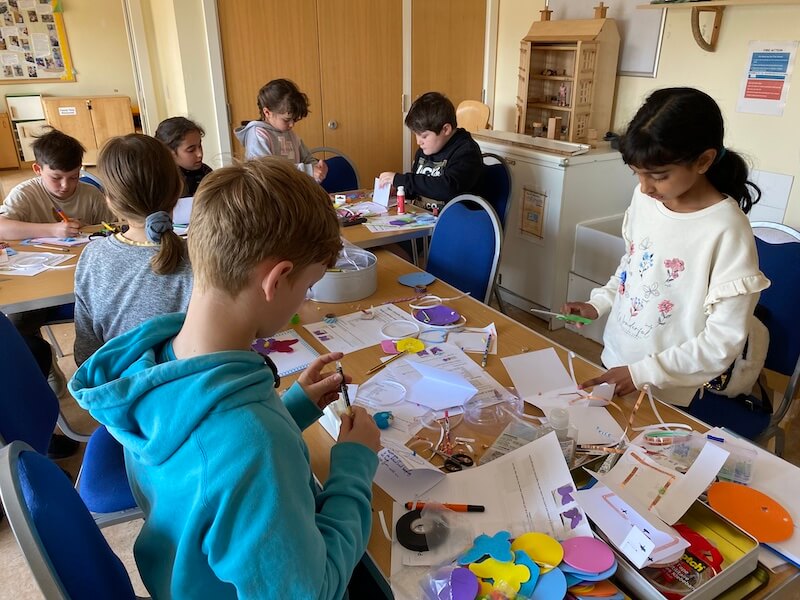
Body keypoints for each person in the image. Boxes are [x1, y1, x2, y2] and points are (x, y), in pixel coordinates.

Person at [69, 157, 381, 599]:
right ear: (278, 279)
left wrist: (291, 408)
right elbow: (315, 592)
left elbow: (206, 476)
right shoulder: (255, 443)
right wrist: (353, 466)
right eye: (308, 286)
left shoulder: (152, 368)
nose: (305, 299)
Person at [562, 87, 769, 408]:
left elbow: (721, 341)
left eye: (658, 175)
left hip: (669, 386)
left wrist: (644, 372)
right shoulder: (645, 199)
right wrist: (599, 303)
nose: (644, 187)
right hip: (618, 361)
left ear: (703, 161)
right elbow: (633, 267)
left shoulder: (727, 229)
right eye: (637, 173)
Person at [73, 134, 193, 366]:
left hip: (119, 394)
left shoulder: (93, 257)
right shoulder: (203, 256)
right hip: (188, 393)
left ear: (109, 199)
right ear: (178, 187)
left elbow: (86, 353)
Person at [0, 128, 113, 240]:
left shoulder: (92, 194)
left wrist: (87, 227)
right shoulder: (24, 193)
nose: (65, 185)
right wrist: (52, 230)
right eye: (56, 178)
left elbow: (112, 229)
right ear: (38, 169)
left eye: (74, 177)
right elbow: (2, 228)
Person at [378, 91, 483, 205]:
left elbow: (447, 189)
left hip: (455, 219)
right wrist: (400, 189)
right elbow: (419, 188)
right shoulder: (426, 149)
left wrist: (402, 180)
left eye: (424, 136)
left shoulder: (467, 152)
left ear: (446, 129)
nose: (418, 142)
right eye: (416, 135)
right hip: (422, 217)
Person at [234, 78, 327, 183]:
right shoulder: (257, 134)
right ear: (267, 112)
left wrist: (317, 167)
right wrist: (308, 171)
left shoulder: (290, 134)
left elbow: (307, 158)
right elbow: (266, 170)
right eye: (286, 120)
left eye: (295, 119)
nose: (292, 124)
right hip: (269, 194)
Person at [155, 116, 213, 197]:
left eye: (200, 146)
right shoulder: (163, 183)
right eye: (191, 150)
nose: (200, 154)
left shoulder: (206, 172)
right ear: (170, 153)